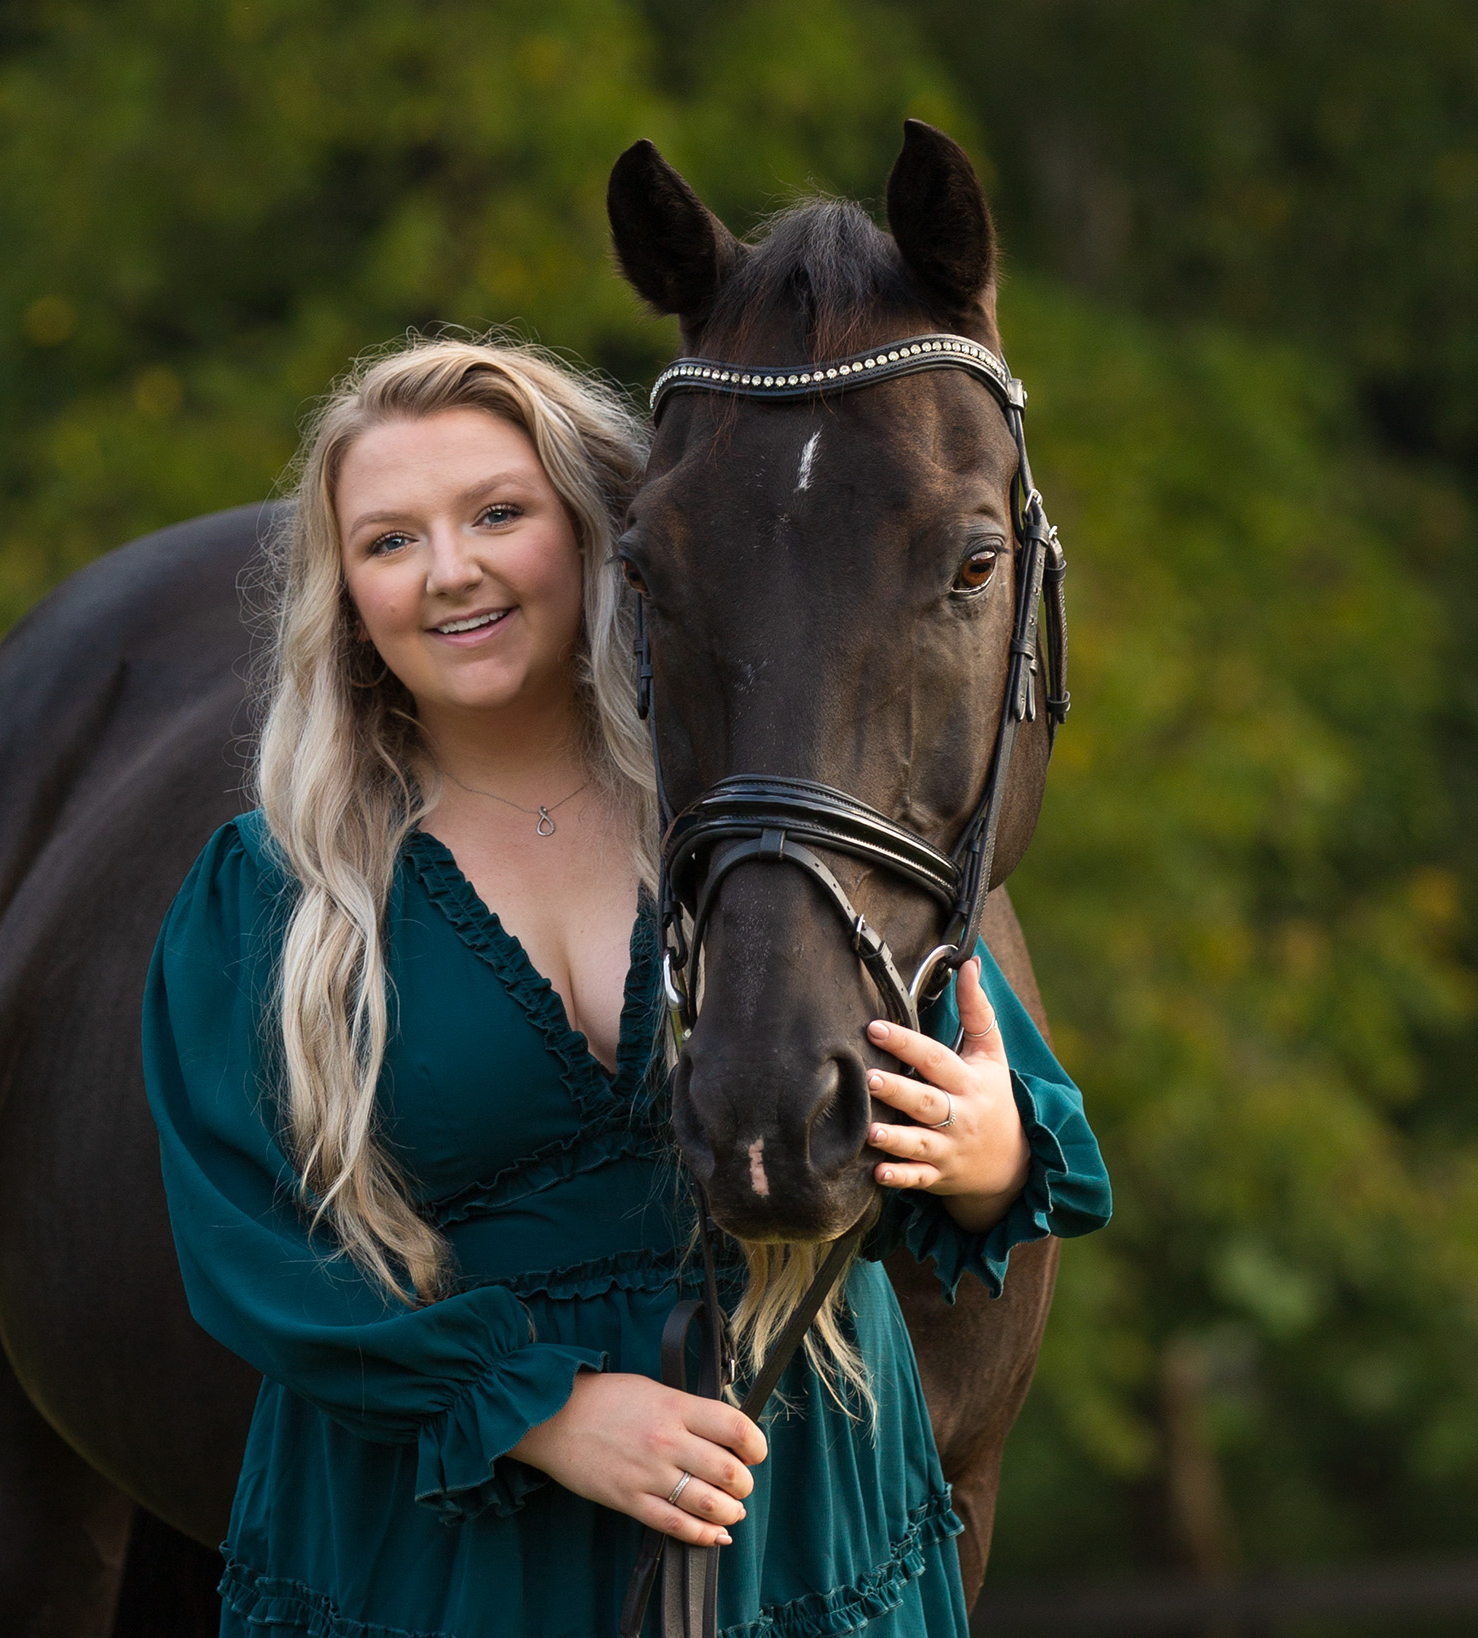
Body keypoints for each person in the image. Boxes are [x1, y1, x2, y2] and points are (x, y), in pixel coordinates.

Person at [141, 335, 1111, 1637]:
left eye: (498, 513)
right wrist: (540, 1410)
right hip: (443, 1538)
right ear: (346, 592)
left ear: (592, 532)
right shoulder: (279, 890)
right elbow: (249, 1249)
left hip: (795, 1500)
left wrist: (987, 1150)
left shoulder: (764, 824)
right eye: (389, 539)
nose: (451, 570)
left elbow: (1014, 1122)